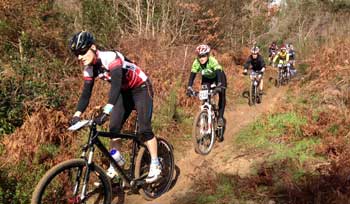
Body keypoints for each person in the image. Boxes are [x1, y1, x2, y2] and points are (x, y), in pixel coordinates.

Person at [68, 31, 161, 183]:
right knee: (113, 130)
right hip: (124, 93)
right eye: (76, 54)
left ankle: (156, 164)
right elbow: (86, 94)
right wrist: (76, 115)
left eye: (82, 52)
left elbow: (116, 84)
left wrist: (107, 110)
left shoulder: (111, 58)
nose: (79, 57)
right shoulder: (89, 69)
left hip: (141, 88)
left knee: (144, 128)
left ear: (93, 47)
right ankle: (116, 165)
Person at [186, 44, 227, 128]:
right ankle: (204, 115)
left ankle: (220, 117)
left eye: (204, 56)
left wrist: (219, 84)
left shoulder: (212, 60)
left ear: (208, 55)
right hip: (207, 79)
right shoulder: (196, 62)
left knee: (222, 94)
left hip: (219, 77)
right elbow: (192, 75)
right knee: (204, 95)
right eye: (200, 56)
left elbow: (218, 71)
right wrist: (189, 87)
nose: (201, 58)